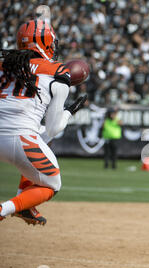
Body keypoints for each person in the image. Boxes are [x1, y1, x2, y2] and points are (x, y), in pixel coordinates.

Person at [0, 19, 87, 225]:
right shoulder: (56, 71)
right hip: (19, 137)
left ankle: (25, 206)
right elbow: (54, 128)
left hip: (13, 133)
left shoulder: (5, 64)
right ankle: (4, 208)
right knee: (52, 184)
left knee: (39, 137)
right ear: (46, 43)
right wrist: (67, 113)